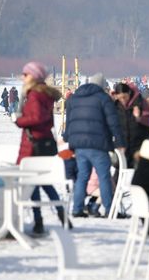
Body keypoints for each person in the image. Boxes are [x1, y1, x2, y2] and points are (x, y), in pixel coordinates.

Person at [13, 61, 68, 234]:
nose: (23, 77)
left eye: (26, 74)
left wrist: (19, 120)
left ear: (33, 77)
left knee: (33, 183)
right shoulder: (44, 94)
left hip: (33, 144)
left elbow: (36, 118)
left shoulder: (35, 95)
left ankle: (39, 221)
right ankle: (61, 214)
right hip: (43, 142)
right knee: (42, 182)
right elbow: (47, 119)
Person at [63, 73, 125, 218]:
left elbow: (70, 120)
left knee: (82, 177)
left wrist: (67, 137)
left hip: (79, 146)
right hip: (98, 145)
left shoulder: (75, 98)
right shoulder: (103, 99)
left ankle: (77, 209)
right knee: (104, 177)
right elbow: (113, 122)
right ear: (102, 86)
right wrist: (120, 142)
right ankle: (110, 210)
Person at [112, 82, 149, 168]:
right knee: (120, 173)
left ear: (129, 93)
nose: (122, 100)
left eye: (124, 97)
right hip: (123, 146)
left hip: (138, 145)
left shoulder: (141, 102)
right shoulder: (116, 105)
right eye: (120, 98)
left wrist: (139, 117)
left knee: (138, 173)